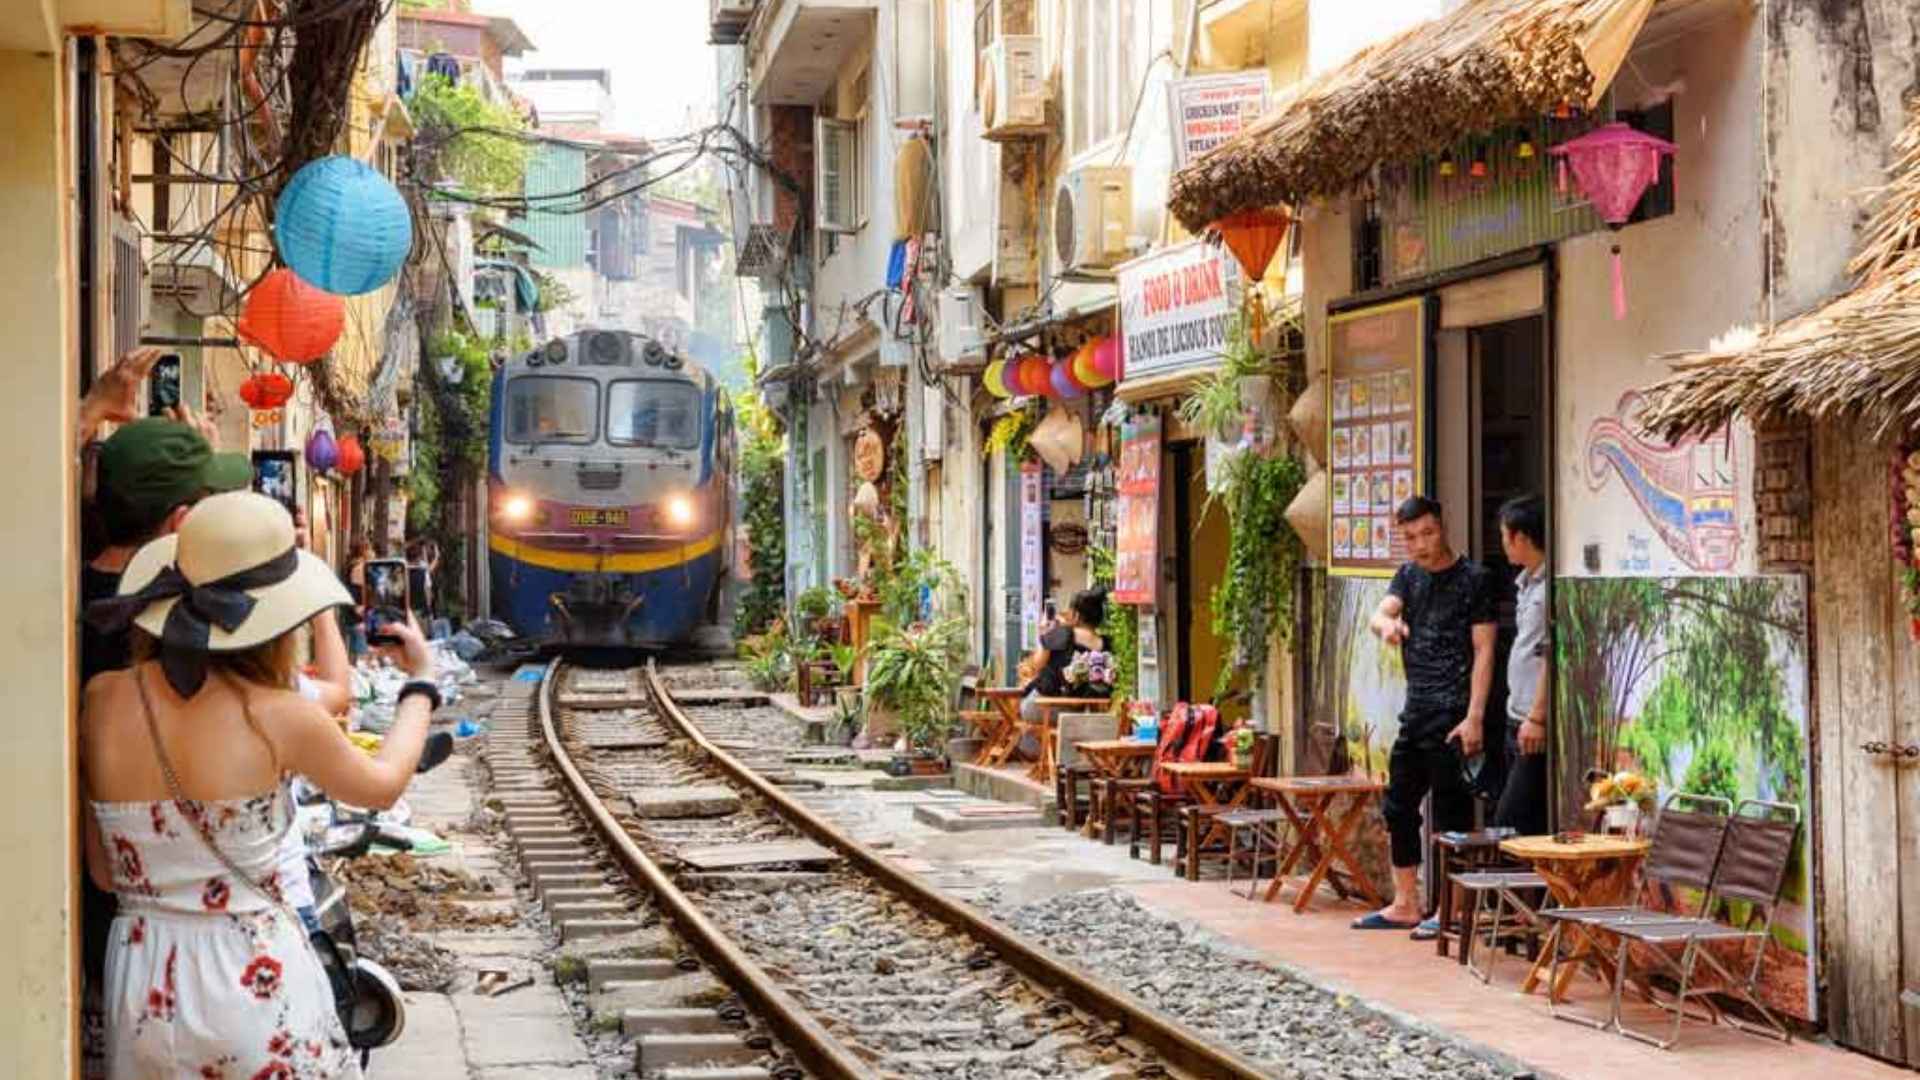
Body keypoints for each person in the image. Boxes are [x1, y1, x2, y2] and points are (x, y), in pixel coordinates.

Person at [80, 491, 438, 1079]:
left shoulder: (102, 700)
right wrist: (420, 686)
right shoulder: (276, 715)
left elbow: (102, 870)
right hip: (251, 973)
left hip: (142, 975)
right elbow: (383, 785)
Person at [1354, 496, 1496, 934]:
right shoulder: (1408, 576)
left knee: (1451, 814)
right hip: (1416, 711)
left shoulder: (1475, 579)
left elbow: (1485, 650)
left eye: (1428, 533)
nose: (1420, 544)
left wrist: (1474, 716)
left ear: (1443, 527)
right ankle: (1406, 902)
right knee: (1398, 807)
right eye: (1410, 537)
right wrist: (1388, 627)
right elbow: (1382, 613)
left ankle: (1448, 911)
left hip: (1454, 710)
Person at [1493, 494, 1550, 837]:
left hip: (1532, 721)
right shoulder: (1525, 584)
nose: (1503, 544)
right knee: (1522, 823)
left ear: (1521, 537)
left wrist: (1537, 717)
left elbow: (1549, 657)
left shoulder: (1548, 591)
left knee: (1510, 821)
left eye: (1504, 535)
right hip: (1516, 717)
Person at [1019, 588, 1110, 718]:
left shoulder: (1061, 634)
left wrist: (1044, 634)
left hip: (1048, 707)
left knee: (1024, 706)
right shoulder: (1106, 644)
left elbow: (1037, 664)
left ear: (1076, 615)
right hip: (1086, 711)